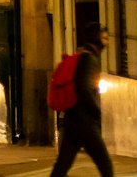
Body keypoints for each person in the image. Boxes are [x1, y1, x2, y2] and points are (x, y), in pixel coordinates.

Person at [49, 23, 113, 177]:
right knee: (105, 163)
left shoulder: (83, 55)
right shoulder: (89, 59)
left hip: (72, 120)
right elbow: (83, 88)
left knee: (62, 165)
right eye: (104, 38)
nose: (107, 42)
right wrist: (97, 112)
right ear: (96, 38)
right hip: (85, 122)